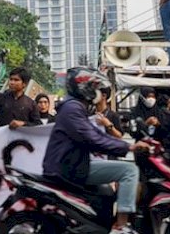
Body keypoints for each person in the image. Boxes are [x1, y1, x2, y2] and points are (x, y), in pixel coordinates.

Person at [42, 67, 150, 234]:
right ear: (84, 88)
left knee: (106, 193)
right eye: (94, 87)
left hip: (72, 163)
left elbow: (96, 136)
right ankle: (121, 226)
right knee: (129, 170)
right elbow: (92, 138)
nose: (98, 92)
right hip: (70, 167)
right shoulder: (73, 109)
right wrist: (128, 146)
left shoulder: (75, 107)